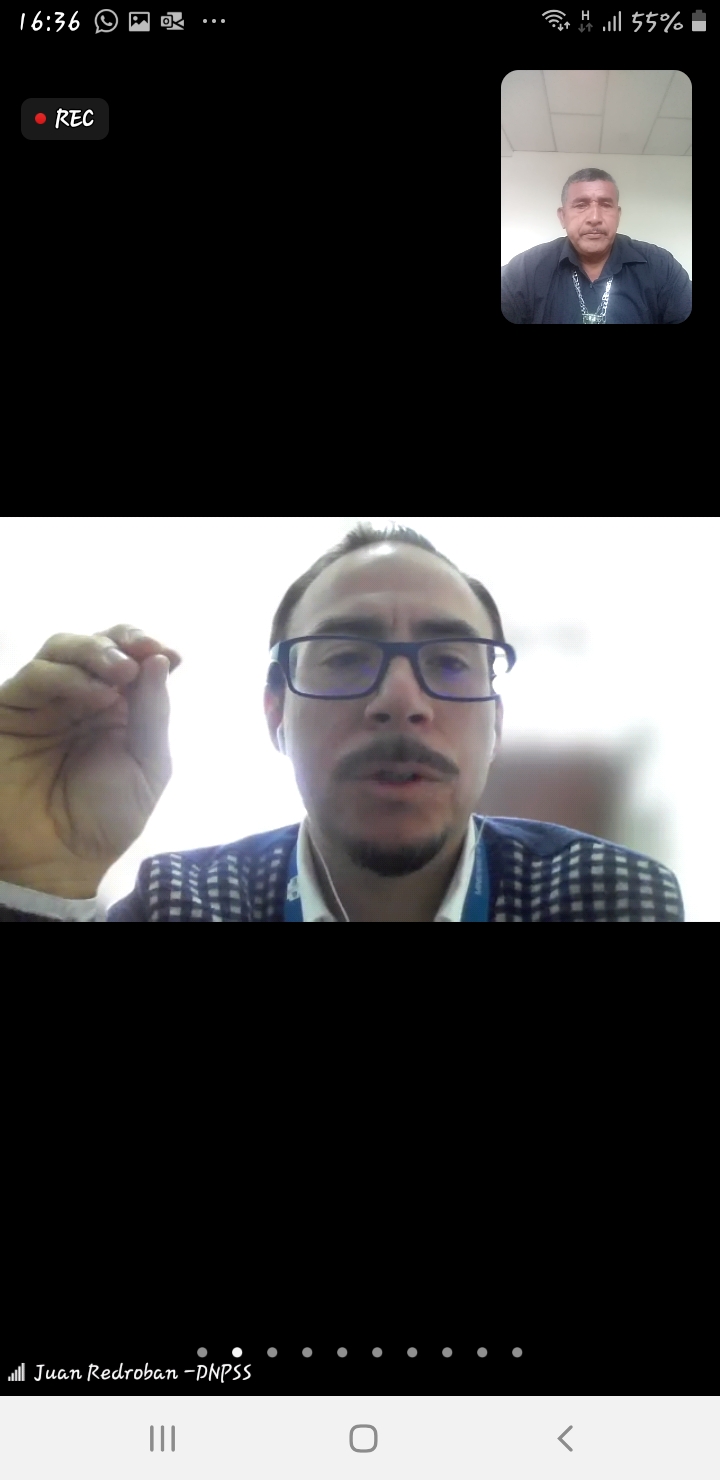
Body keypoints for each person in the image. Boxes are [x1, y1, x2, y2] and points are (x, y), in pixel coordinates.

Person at [0, 522, 684, 921]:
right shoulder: (183, 903)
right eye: (346, 656)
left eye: (450, 663)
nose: (400, 700)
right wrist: (42, 879)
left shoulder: (604, 896)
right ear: (276, 714)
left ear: (496, 726)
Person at [501, 168, 692, 324]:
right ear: (562, 216)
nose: (594, 218)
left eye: (606, 205)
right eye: (581, 205)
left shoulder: (660, 266)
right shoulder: (524, 270)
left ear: (618, 215)